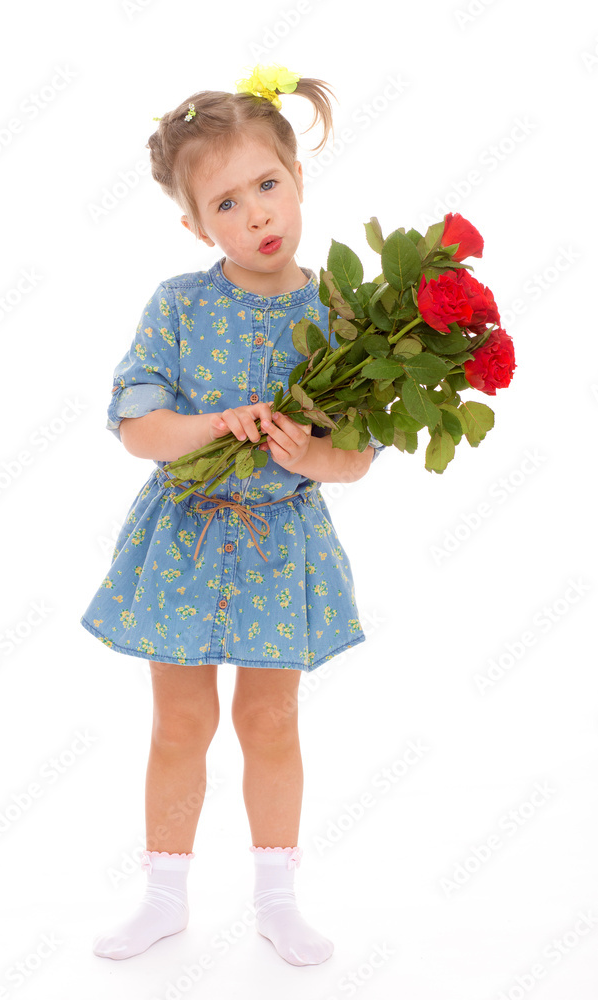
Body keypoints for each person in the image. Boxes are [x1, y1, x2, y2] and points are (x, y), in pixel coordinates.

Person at [80, 63, 386, 968]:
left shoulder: (336, 316)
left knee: (271, 721)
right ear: (191, 223)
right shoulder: (177, 305)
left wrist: (308, 456)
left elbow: (358, 458)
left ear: (297, 180)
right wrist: (214, 424)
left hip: (279, 544)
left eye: (267, 186)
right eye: (225, 203)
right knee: (179, 724)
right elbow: (138, 427)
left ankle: (278, 898)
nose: (255, 215)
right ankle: (163, 895)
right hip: (183, 537)